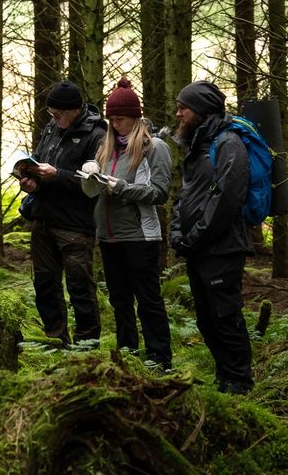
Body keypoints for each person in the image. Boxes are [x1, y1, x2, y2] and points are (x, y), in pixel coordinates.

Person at [169, 80, 255, 394]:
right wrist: (178, 232)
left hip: (222, 248)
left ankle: (239, 382)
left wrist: (195, 237)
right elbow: (186, 194)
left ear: (202, 110)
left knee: (225, 316)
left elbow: (226, 200)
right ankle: (224, 377)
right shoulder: (198, 144)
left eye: (184, 107)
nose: (178, 113)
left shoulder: (229, 142)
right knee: (206, 319)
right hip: (198, 248)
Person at [82, 78, 173, 368]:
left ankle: (159, 356)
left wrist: (120, 187)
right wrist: (90, 177)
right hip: (108, 237)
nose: (115, 124)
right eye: (112, 119)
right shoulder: (105, 147)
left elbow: (159, 193)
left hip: (140, 237)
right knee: (119, 301)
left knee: (148, 299)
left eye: (120, 118)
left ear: (135, 117)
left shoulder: (154, 147)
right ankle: (128, 354)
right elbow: (95, 191)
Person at [18, 80, 106, 346]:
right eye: (51, 113)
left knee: (79, 286)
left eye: (59, 114)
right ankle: (55, 339)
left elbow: (96, 184)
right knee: (45, 285)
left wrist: (58, 176)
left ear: (75, 109)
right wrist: (30, 181)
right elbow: (38, 160)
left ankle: (87, 343)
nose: (54, 119)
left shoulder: (97, 135)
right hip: (43, 217)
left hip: (75, 225)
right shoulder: (51, 128)